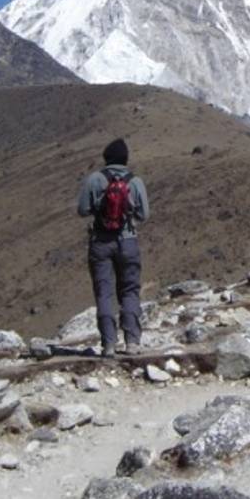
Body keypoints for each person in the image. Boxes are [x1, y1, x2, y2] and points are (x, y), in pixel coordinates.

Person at [77, 138, 150, 357]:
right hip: (127, 241)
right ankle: (132, 342)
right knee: (129, 290)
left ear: (106, 158)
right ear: (126, 159)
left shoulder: (95, 179)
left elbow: (82, 210)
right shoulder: (135, 181)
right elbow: (144, 215)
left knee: (104, 291)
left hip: (100, 241)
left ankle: (108, 344)